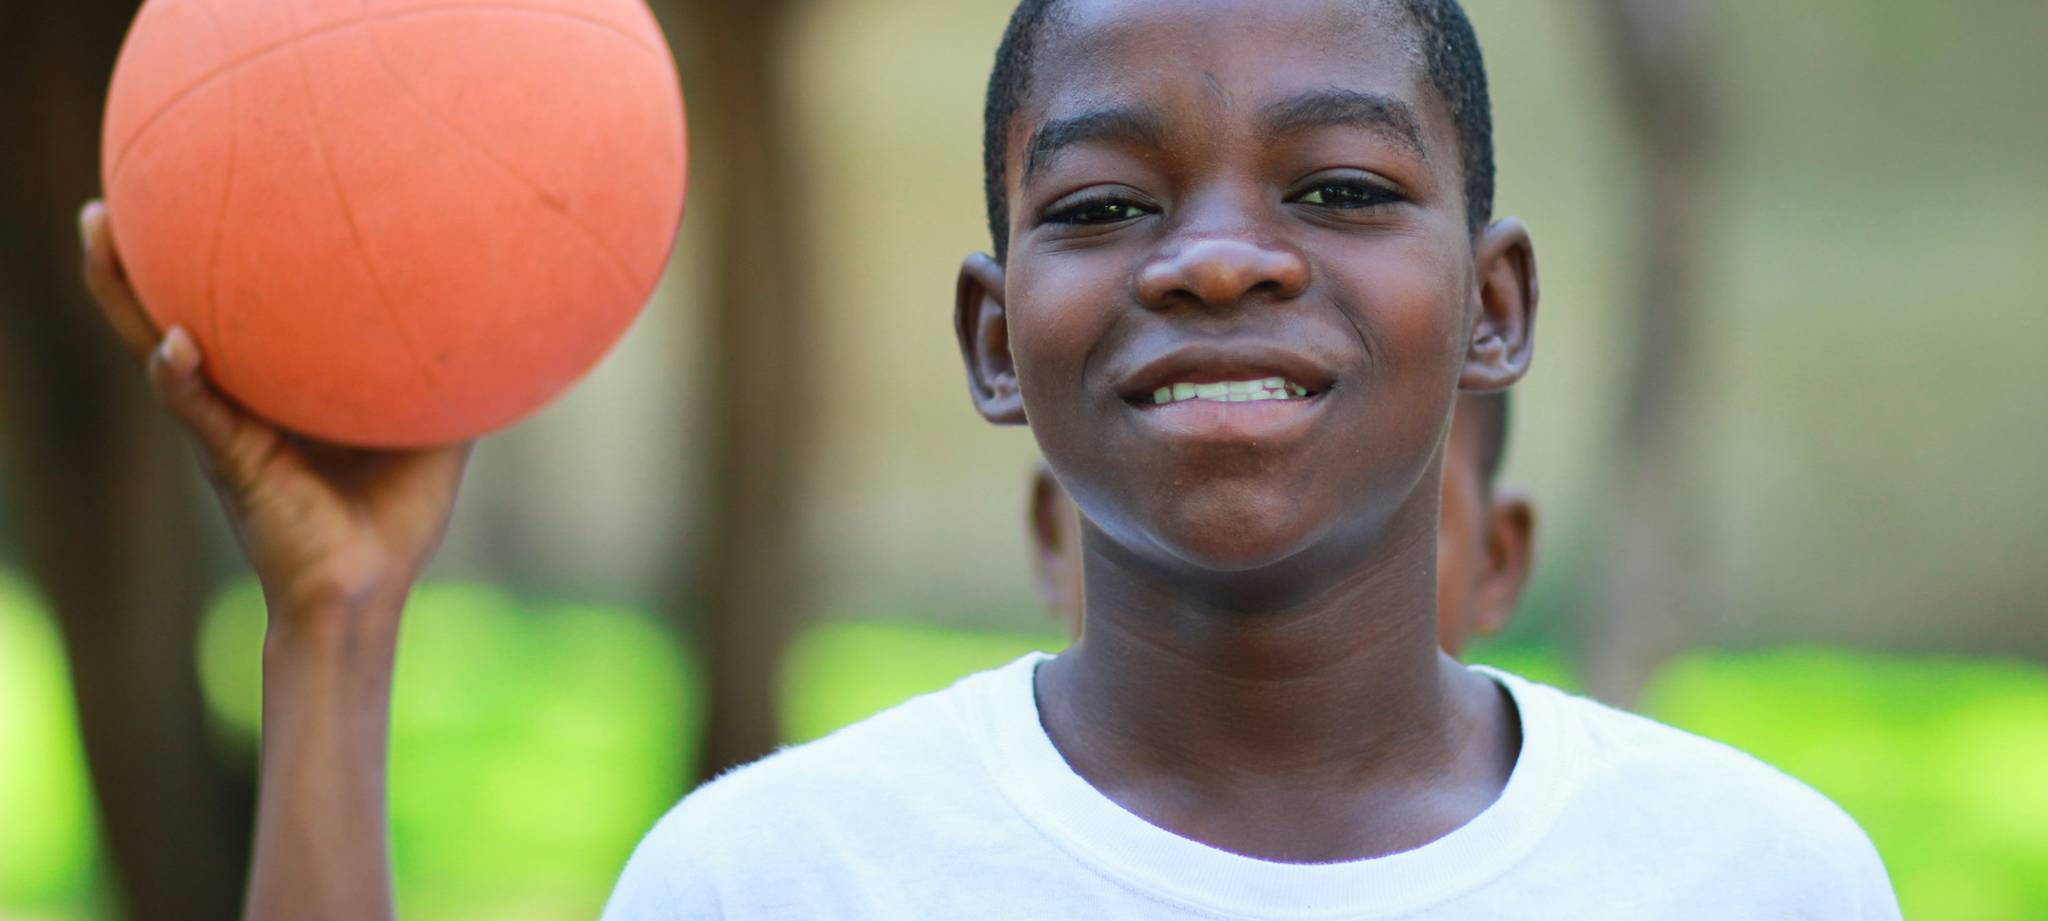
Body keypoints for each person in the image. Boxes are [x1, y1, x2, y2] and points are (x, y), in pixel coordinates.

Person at [78, 0, 1901, 917]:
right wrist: (338, 631)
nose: (1217, 260)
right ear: (991, 339)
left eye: (1340, 187)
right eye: (1103, 205)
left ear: (1494, 308)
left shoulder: (1752, 876)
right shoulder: (775, 879)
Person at [1031, 391, 1532, 655]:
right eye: (1171, 515)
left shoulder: (1578, 807)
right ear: (1052, 534)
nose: (1258, 576)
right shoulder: (982, 805)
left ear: (1494, 563)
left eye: (1379, 521)